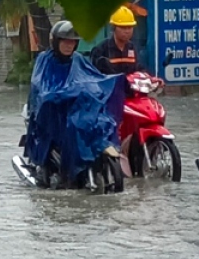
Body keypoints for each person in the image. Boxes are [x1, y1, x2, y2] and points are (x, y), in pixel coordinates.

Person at [24, 21, 124, 185]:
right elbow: (39, 86)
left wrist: (112, 83)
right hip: (54, 112)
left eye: (72, 42)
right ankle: (49, 168)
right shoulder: (44, 60)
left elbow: (94, 79)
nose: (68, 46)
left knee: (102, 121)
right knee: (71, 125)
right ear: (56, 42)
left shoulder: (79, 60)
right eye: (65, 41)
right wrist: (57, 95)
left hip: (77, 108)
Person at [90, 6, 145, 76]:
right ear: (114, 28)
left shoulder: (132, 48)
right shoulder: (101, 50)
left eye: (130, 27)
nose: (127, 31)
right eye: (123, 28)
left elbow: (139, 69)